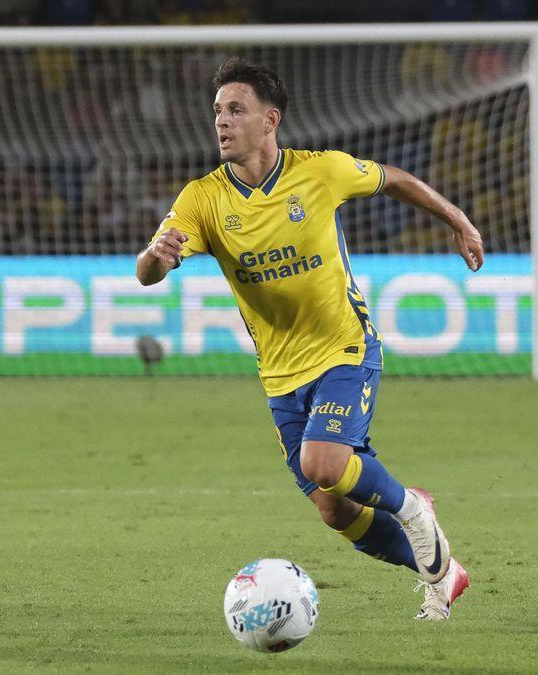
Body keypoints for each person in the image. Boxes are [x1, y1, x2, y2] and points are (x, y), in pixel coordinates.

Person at [136, 58, 482, 618]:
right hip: (279, 372)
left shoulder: (321, 171)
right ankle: (440, 571)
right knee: (334, 509)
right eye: (217, 111)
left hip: (345, 347)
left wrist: (457, 219)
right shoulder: (202, 199)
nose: (221, 122)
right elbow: (146, 273)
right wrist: (157, 256)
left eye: (236, 110)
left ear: (270, 120)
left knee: (325, 464)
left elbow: (393, 178)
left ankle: (413, 509)